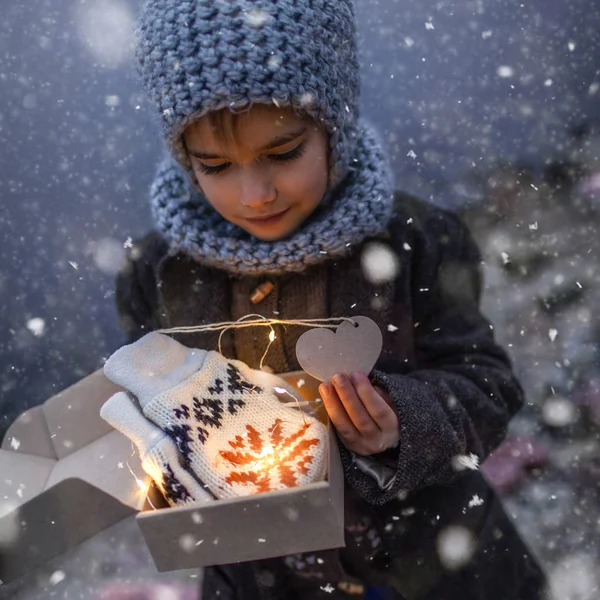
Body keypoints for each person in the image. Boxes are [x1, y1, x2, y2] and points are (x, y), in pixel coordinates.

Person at [114, 0, 547, 598]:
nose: (255, 193)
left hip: (438, 565)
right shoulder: (160, 275)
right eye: (215, 165)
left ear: (333, 125)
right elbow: (144, 409)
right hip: (263, 580)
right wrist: (165, 468)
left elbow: (490, 388)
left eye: (283, 153)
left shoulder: (414, 241)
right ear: (185, 158)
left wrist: (403, 422)